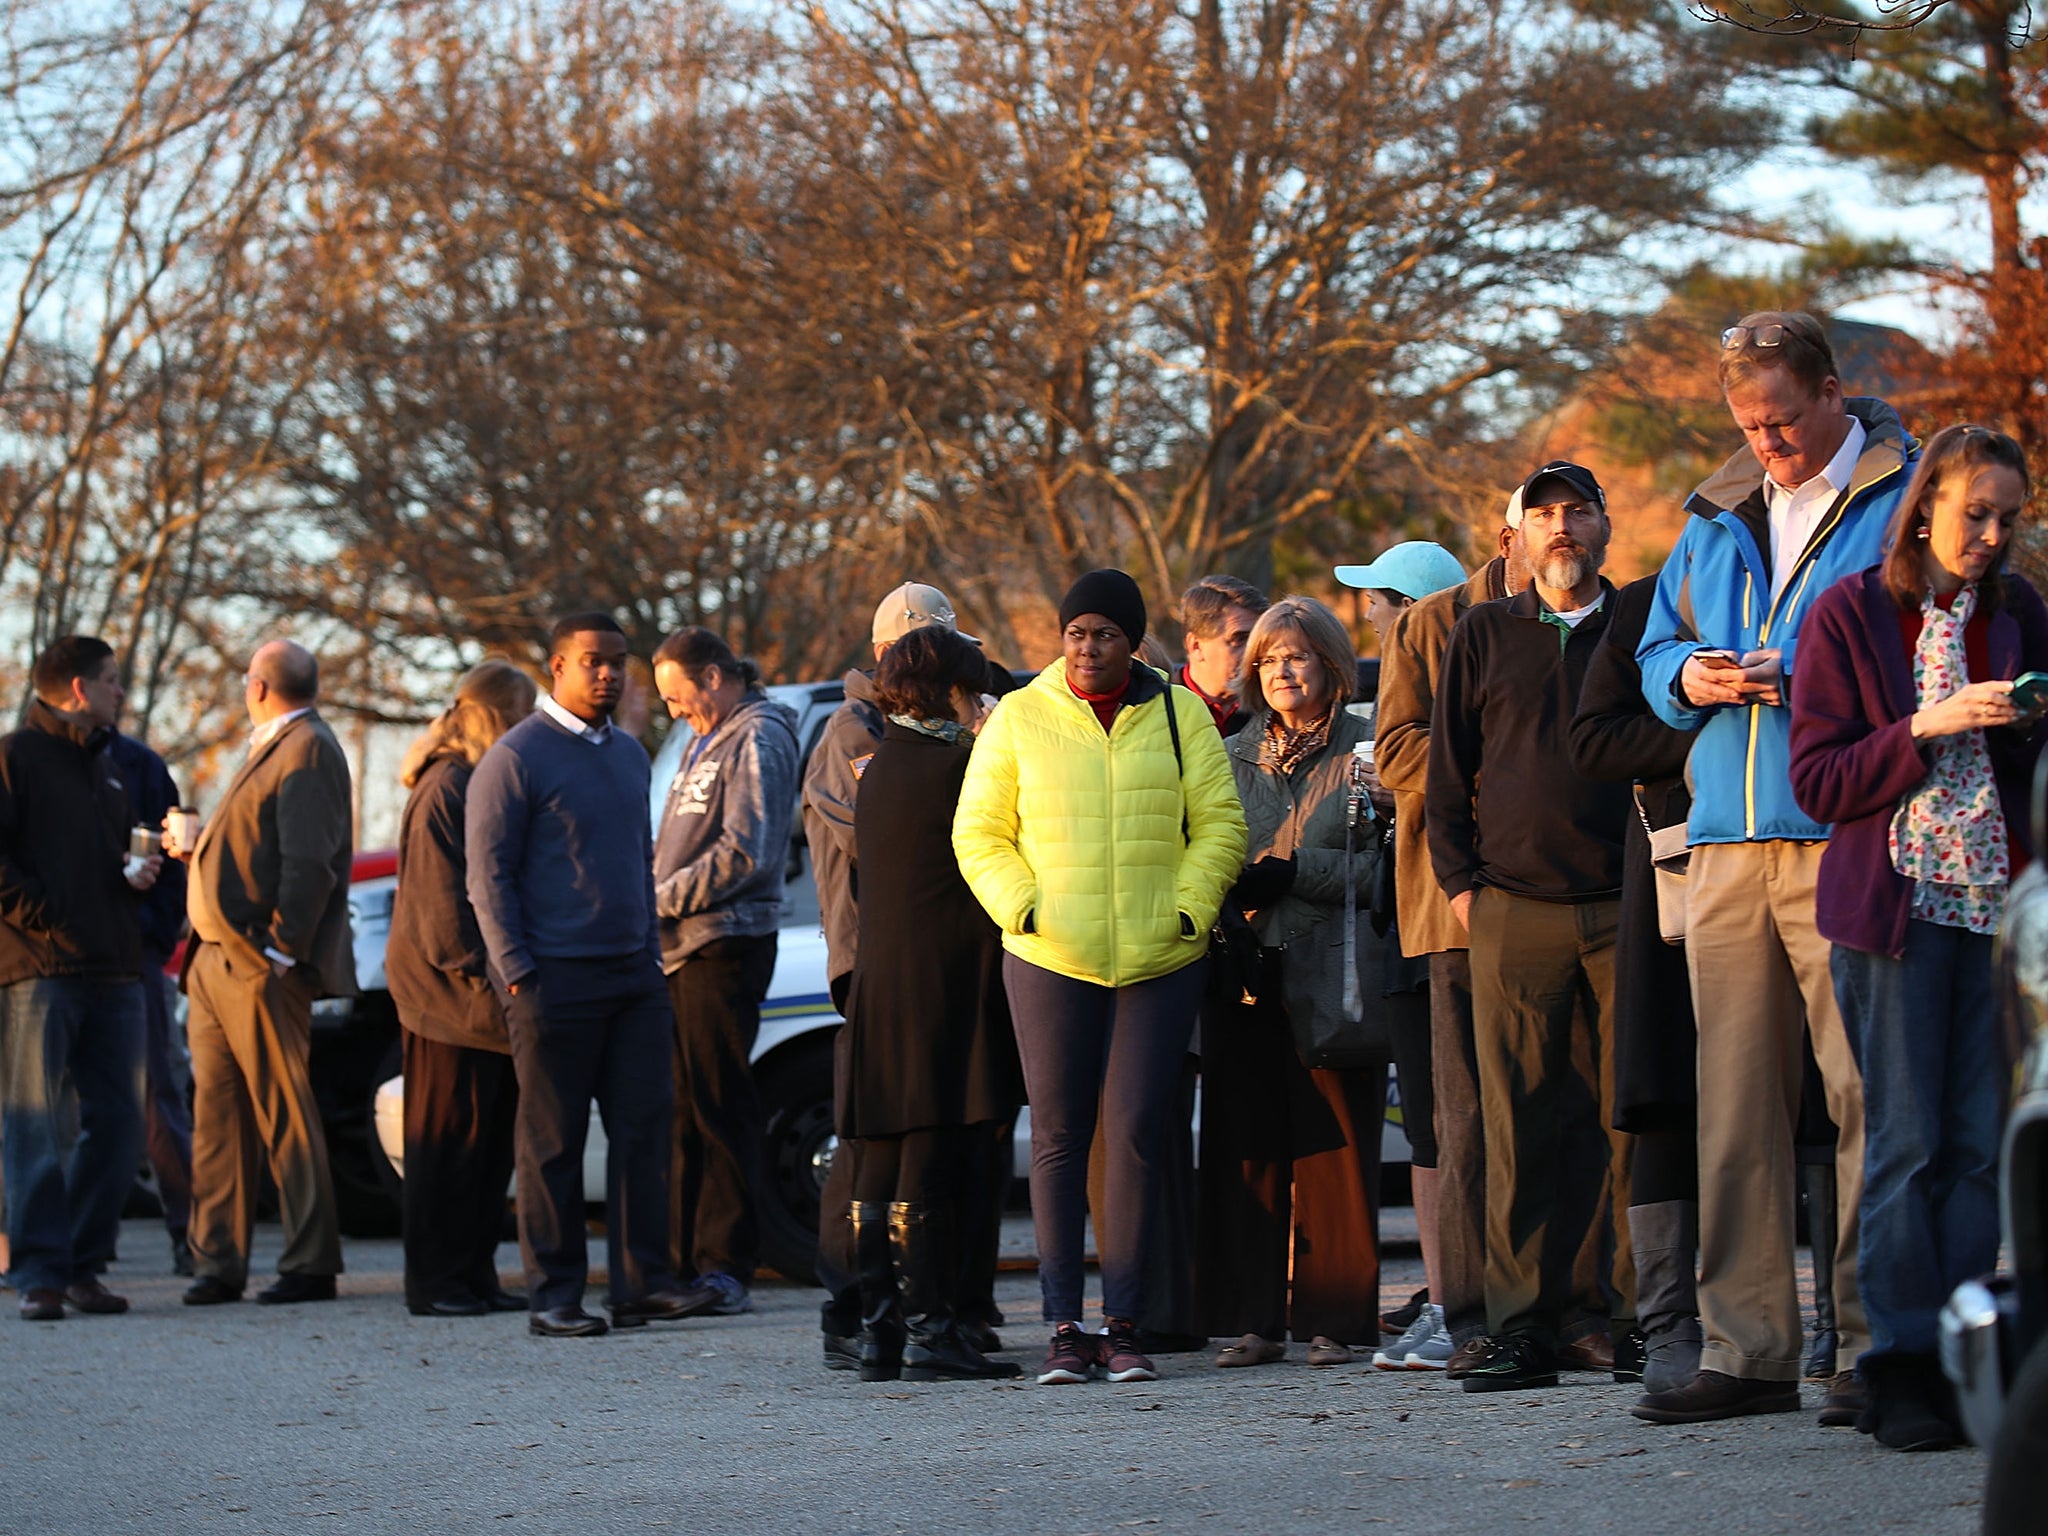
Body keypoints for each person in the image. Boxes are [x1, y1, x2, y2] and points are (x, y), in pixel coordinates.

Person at [1634, 311, 1918, 1426]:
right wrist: (1692, 677)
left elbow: (1911, 642)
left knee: (1860, 1099)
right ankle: (1745, 1350)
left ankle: (1866, 1345)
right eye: (1747, 425)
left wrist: (1791, 670)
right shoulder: (1708, 514)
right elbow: (1652, 648)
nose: (1765, 444)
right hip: (1718, 844)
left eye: (1781, 419)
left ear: (1831, 393)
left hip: (1841, 836)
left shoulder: (1900, 502)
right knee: (1734, 1108)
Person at [1787, 424, 2047, 1449]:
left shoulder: (2020, 612)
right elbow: (1816, 780)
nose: (1986, 535)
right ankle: (1894, 1363)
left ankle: (1962, 1353)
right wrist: (1924, 729)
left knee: (1982, 1149)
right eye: (1971, 512)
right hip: (1893, 914)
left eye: (2006, 518)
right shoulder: (1849, 613)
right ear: (1925, 504)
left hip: (1996, 915)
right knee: (1905, 1145)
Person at [954, 569, 1246, 1386]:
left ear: (1133, 642)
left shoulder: (1181, 714)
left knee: (1138, 1139)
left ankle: (1125, 1324)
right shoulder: (1019, 715)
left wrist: (1188, 911)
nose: (1088, 646)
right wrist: (1027, 911)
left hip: (1159, 960)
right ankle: (1063, 1326)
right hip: (1052, 960)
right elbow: (979, 833)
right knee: (1057, 1140)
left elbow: (1221, 824)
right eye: (1076, 632)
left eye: (1106, 634)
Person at [1426, 460, 1634, 1391]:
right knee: (1517, 1124)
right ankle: (1519, 1327)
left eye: (1577, 512)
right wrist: (1466, 888)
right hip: (1511, 905)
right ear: (1516, 534)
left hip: (1628, 908)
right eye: (1543, 514)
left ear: (1603, 529)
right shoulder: (1483, 632)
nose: (1562, 528)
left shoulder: (1642, 625)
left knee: (1630, 1117)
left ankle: (1628, 1317)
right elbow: (1445, 774)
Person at [466, 613, 692, 1337]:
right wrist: (517, 972)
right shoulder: (516, 756)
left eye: (618, 662)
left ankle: (642, 1285)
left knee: (645, 1133)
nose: (608, 674)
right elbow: (487, 875)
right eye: (593, 661)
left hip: (634, 975)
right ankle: (555, 1295)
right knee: (553, 1143)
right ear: (557, 668)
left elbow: (639, 858)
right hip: (551, 980)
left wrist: (651, 953)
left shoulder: (630, 755)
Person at [1198, 596, 1400, 1367]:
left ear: (1331, 665)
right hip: (1246, 970)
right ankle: (1251, 1321)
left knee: (1340, 1151)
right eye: (1270, 659)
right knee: (1248, 1145)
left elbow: (1387, 868)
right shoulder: (1228, 753)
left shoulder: (1366, 747)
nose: (1284, 670)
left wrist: (1296, 872)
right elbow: (1207, 848)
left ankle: (1337, 1320)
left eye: (1300, 656)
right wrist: (1234, 885)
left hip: (1335, 967)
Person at [841, 624, 1024, 1381]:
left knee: (880, 1157)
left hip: (883, 980)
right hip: (942, 982)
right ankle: (932, 1328)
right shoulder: (958, 765)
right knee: (932, 1153)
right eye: (971, 686)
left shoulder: (881, 766)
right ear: (948, 688)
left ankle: (882, 1328)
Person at [1373, 521, 1530, 1374]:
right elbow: (1397, 752)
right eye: (1539, 521)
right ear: (1509, 538)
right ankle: (1466, 1312)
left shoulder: (1584, 619)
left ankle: (1561, 1307)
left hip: (1562, 895)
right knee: (1462, 1118)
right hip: (1454, 901)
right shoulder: (1431, 625)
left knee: (1555, 1106)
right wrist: (1503, 760)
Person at [171, 639, 353, 1308]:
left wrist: (280, 953)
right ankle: (217, 1261)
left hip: (258, 963)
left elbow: (311, 864)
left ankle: (310, 1262)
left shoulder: (307, 748)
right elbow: (261, 850)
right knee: (217, 1115)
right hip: (212, 959)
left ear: (257, 687)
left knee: (284, 1111)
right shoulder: (275, 744)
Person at [1333, 539, 1469, 1369]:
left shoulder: (1464, 683)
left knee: (1464, 1123)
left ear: (1415, 608)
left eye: (1379, 600)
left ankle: (1479, 1300)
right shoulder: (1391, 691)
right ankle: (1447, 1294)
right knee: (1423, 1125)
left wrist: (1399, 780)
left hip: (1456, 924)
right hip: (1402, 928)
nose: (1369, 616)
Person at [1569, 575, 1702, 1393]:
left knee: (1809, 1105)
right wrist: (1713, 728)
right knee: (1662, 1095)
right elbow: (1596, 742)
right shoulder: (1657, 599)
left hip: (1799, 860)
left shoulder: (1819, 587)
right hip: (1674, 882)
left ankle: (1833, 1325)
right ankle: (1667, 1322)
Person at [0, 636, 159, 1320]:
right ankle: (38, 1272)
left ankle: (83, 1266)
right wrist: (47, 915)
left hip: (117, 970)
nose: (121, 693)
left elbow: (110, 862)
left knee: (122, 1126)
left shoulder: (112, 766)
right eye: (112, 681)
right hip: (40, 971)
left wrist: (140, 879)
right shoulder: (14, 758)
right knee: (35, 1126)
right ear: (76, 689)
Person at [651, 627, 801, 1318]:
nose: (676, 713)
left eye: (680, 697)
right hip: (682, 949)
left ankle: (726, 1265)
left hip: (725, 944)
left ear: (713, 677)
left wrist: (659, 899)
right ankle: (680, 1263)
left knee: (719, 1105)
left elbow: (750, 851)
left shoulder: (759, 735)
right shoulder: (703, 739)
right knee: (684, 1106)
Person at [386, 660, 538, 1317]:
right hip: (449, 1004)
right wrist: (500, 970)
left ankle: (472, 1274)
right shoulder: (445, 786)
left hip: (477, 1002)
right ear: (498, 714)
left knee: (484, 1148)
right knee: (447, 1147)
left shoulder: (471, 780)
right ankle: (436, 1281)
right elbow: (440, 916)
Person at [106, 719, 193, 1275]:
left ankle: (190, 1233)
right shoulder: (25, 762)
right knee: (49, 1108)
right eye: (110, 682)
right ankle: (73, 1239)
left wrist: (155, 934)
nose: (120, 694)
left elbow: (174, 853)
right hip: (51, 958)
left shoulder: (141, 766)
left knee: (158, 1094)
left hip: (134, 952)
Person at [1176, 575, 1268, 735]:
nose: (1254, 651)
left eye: (1258, 639)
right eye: (1239, 639)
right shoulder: (1158, 707)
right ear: (1196, 646)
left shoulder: (1275, 707)